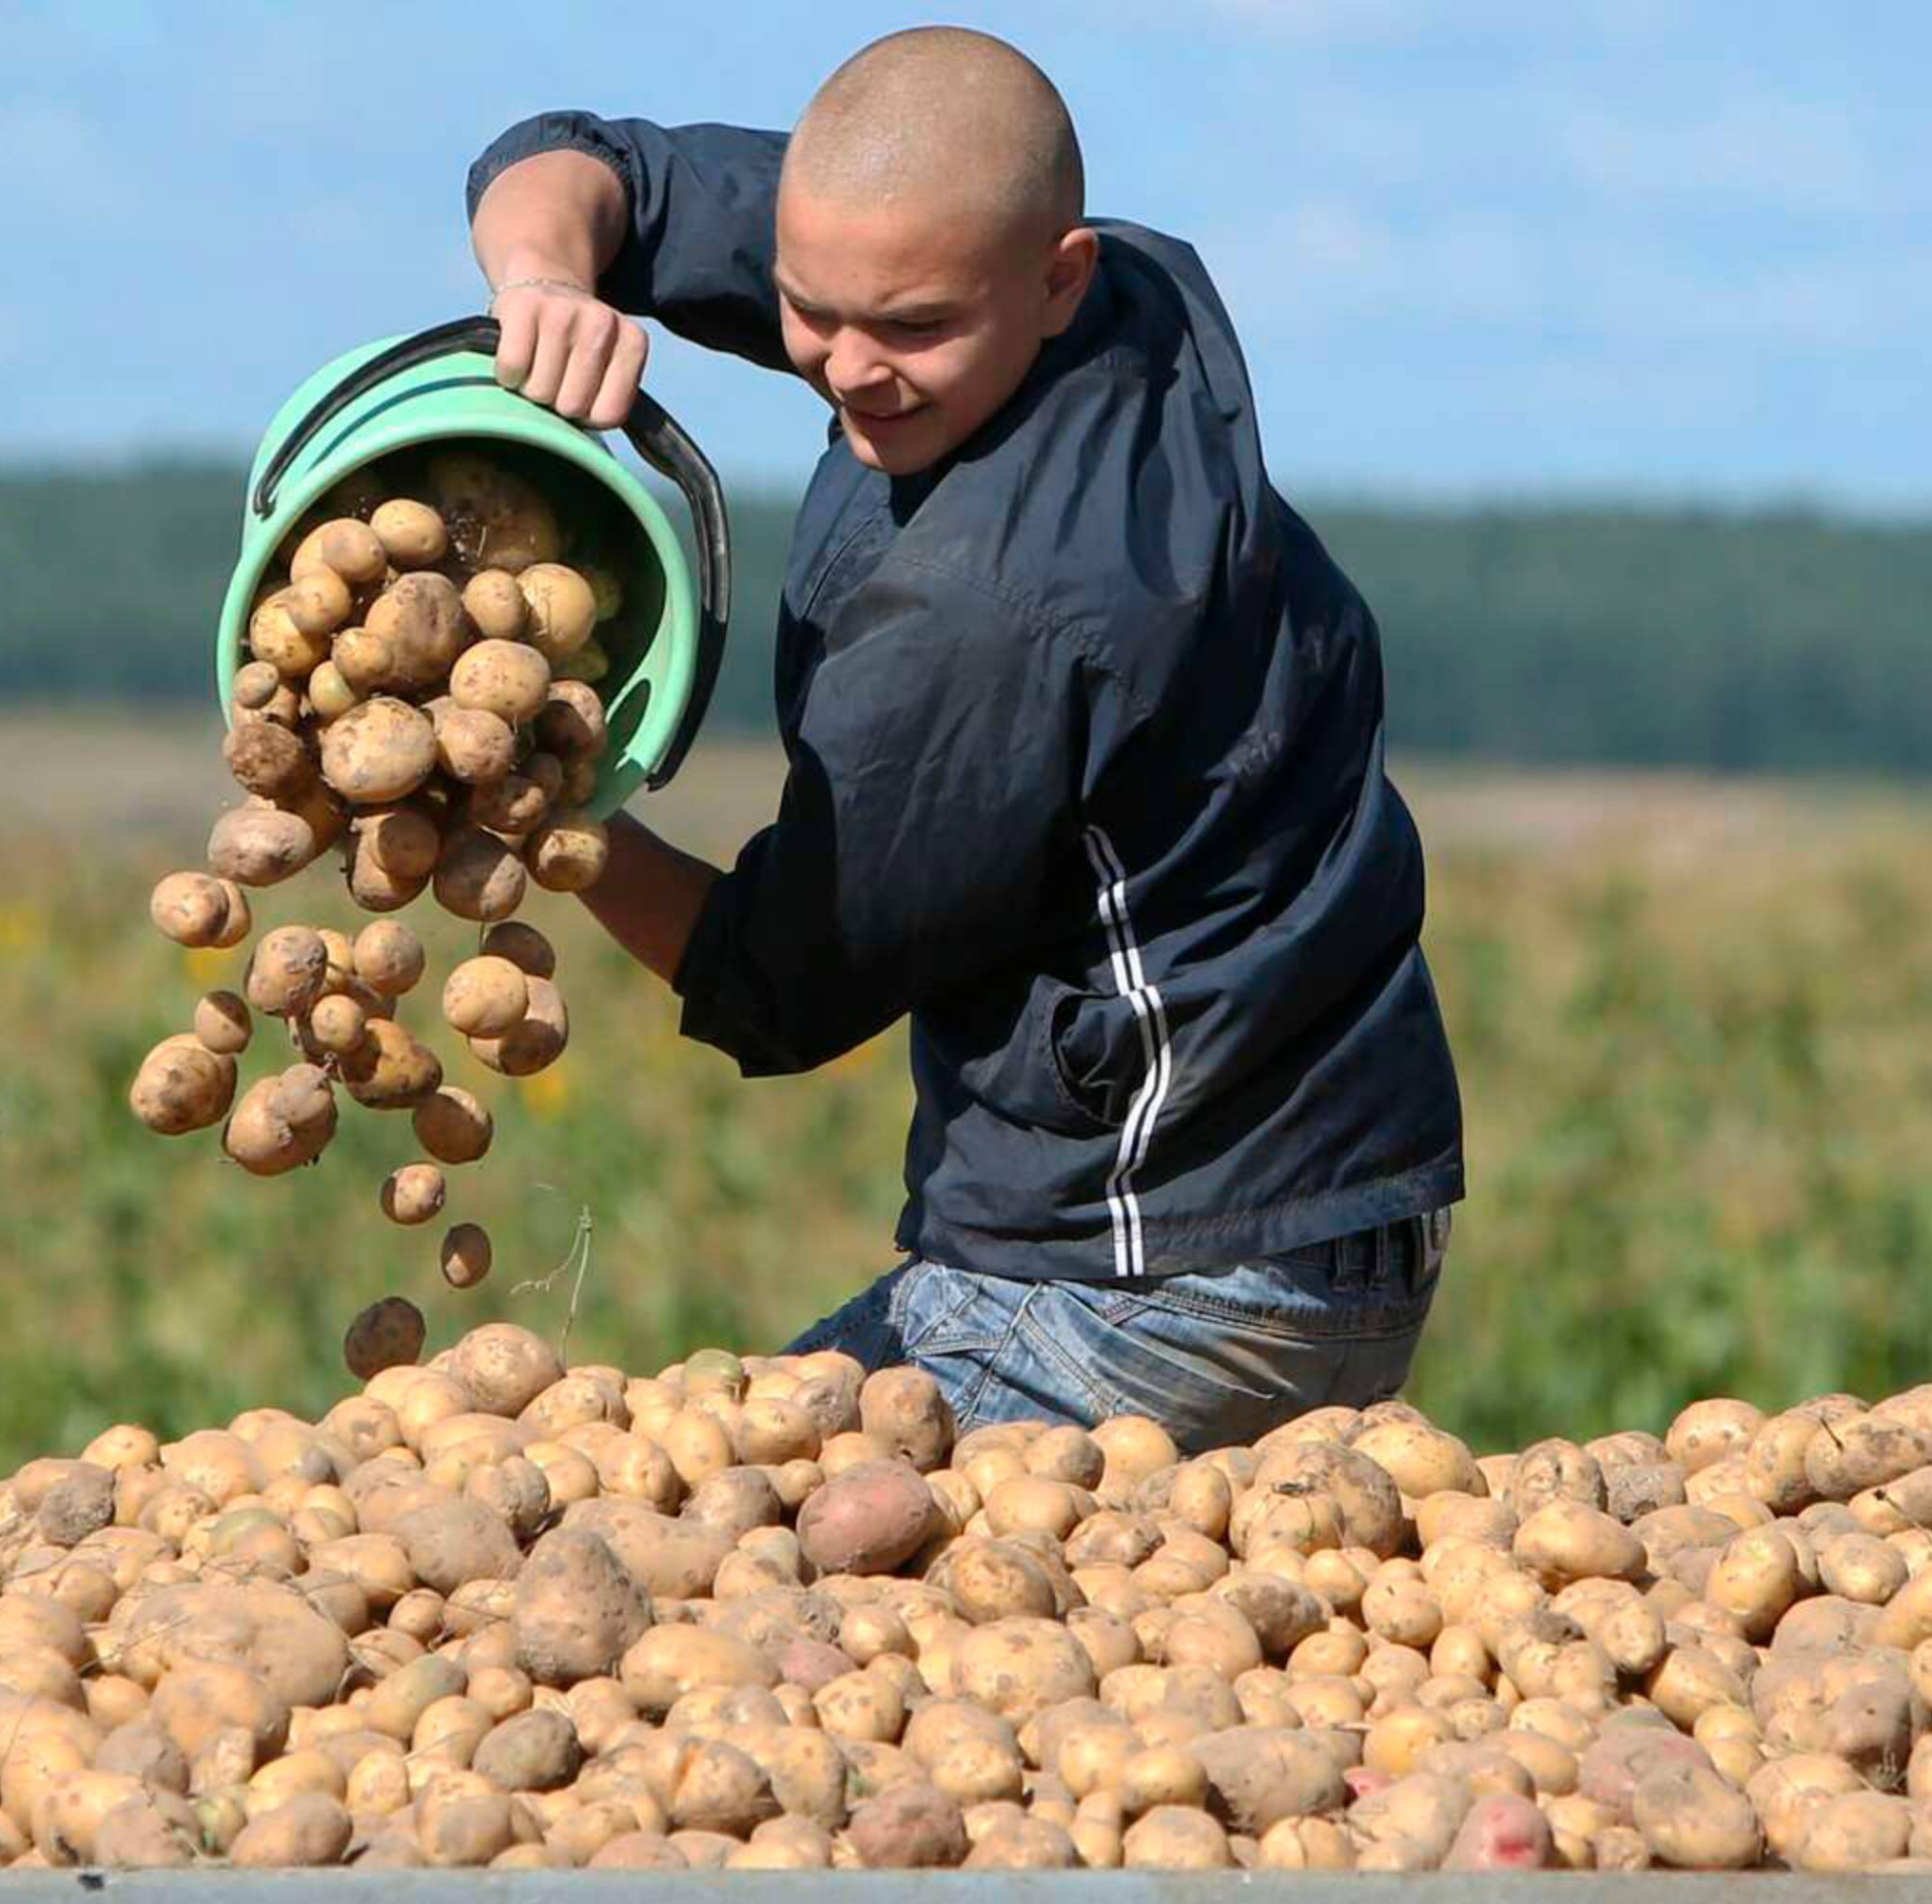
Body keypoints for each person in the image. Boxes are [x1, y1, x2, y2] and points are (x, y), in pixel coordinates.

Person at [462, 27, 1461, 1449]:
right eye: (808, 309)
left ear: (1055, 277)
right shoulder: (1110, 288)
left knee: (699, 1522)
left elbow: (777, 986)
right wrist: (547, 278)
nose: (851, 370)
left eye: (910, 329)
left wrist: (552, 818)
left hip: (1171, 1278)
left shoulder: (995, 615)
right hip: (1334, 1194)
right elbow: (591, 165)